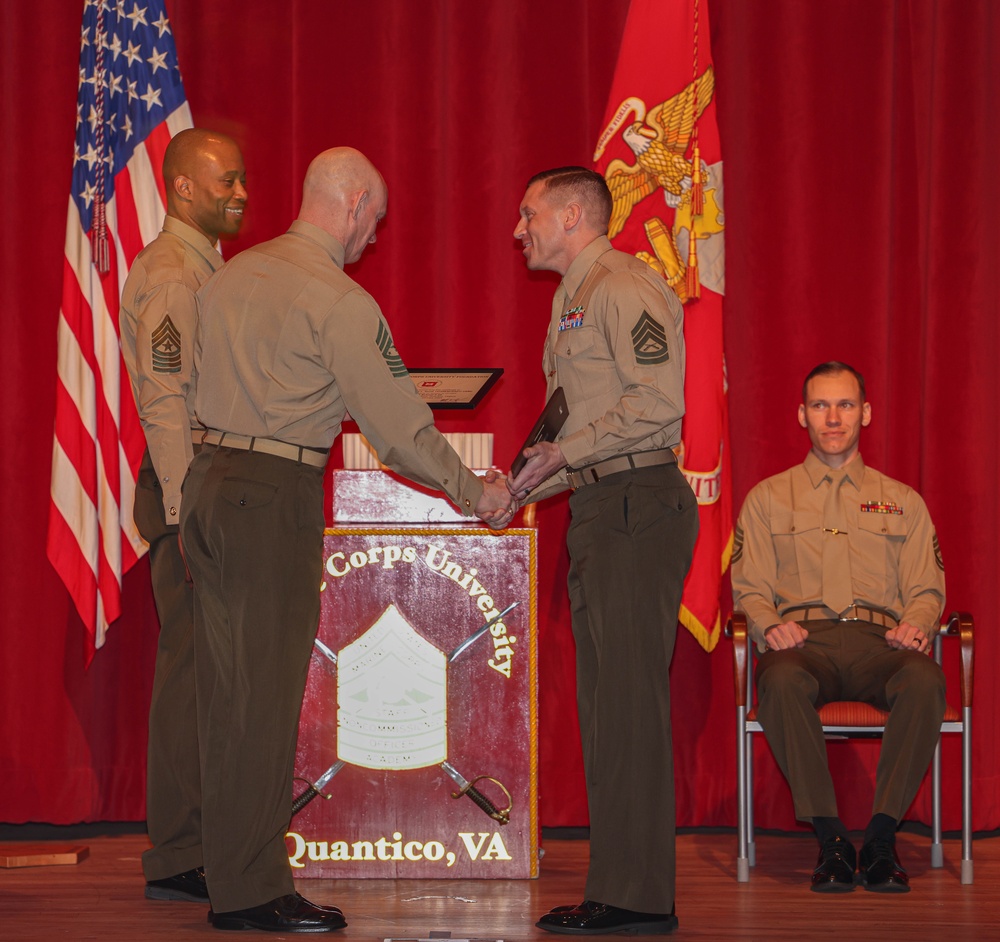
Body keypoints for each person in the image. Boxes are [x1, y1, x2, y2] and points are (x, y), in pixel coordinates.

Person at [180, 146, 514, 933]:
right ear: (355, 202)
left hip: (208, 486)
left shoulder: (225, 277)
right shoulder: (341, 300)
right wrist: (476, 492)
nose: (376, 233)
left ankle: (230, 875)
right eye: (379, 217)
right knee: (261, 703)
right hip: (273, 497)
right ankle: (255, 890)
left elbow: (184, 386)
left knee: (224, 701)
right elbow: (399, 431)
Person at [508, 167, 698, 935]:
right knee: (607, 709)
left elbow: (659, 404)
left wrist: (561, 458)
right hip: (601, 504)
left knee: (626, 708)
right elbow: (569, 428)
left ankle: (635, 897)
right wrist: (516, 490)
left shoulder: (622, 286)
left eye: (528, 214)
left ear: (573, 213)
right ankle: (622, 887)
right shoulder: (573, 297)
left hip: (635, 505)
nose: (518, 229)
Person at [731, 361, 946, 893]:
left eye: (845, 405)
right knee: (778, 679)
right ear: (801, 415)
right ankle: (829, 839)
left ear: (865, 414)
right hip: (804, 643)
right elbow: (749, 585)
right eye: (821, 405)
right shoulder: (767, 499)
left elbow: (926, 587)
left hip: (882, 643)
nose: (833, 417)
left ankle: (879, 837)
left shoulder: (904, 502)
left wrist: (917, 624)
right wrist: (768, 624)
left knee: (925, 680)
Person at [119, 127, 247, 905]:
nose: (242, 193)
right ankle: (178, 851)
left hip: (203, 484)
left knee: (208, 674)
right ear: (183, 188)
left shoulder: (207, 268)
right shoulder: (173, 276)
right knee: (193, 676)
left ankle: (198, 839)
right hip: (189, 484)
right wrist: (182, 509)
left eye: (242, 180)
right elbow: (167, 404)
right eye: (228, 181)